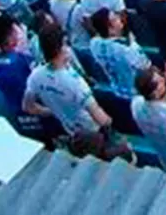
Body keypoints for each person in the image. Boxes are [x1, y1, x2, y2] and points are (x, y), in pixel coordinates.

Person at [24, 24, 129, 159]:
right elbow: (101, 118)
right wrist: (110, 122)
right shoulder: (75, 82)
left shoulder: (35, 76)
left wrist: (55, 110)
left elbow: (28, 107)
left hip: (71, 131)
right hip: (93, 132)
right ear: (62, 46)